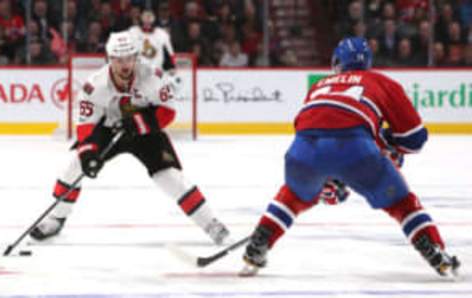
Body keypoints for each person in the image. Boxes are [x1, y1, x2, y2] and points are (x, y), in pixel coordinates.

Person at [240, 37, 460, 277]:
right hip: (355, 148)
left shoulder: (320, 84)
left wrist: (327, 179)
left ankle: (260, 241)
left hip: (303, 149)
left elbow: (311, 127)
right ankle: (434, 248)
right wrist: (386, 146)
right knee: (400, 203)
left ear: (337, 62)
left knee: (292, 197)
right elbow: (414, 138)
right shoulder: (381, 82)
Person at [29, 31, 230, 245]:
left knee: (168, 177)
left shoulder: (154, 76)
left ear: (136, 58)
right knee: (74, 166)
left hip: (145, 131)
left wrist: (138, 124)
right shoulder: (94, 85)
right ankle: (56, 218)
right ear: (109, 59)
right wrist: (88, 153)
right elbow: (86, 125)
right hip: (108, 128)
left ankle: (210, 223)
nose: (124, 65)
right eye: (118, 59)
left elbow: (167, 112)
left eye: (129, 58)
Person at [128, 10, 181, 93]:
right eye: (145, 17)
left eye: (150, 18)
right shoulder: (133, 32)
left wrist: (172, 67)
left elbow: (170, 53)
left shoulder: (161, 34)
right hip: (139, 75)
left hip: (156, 75)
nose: (147, 20)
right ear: (141, 19)